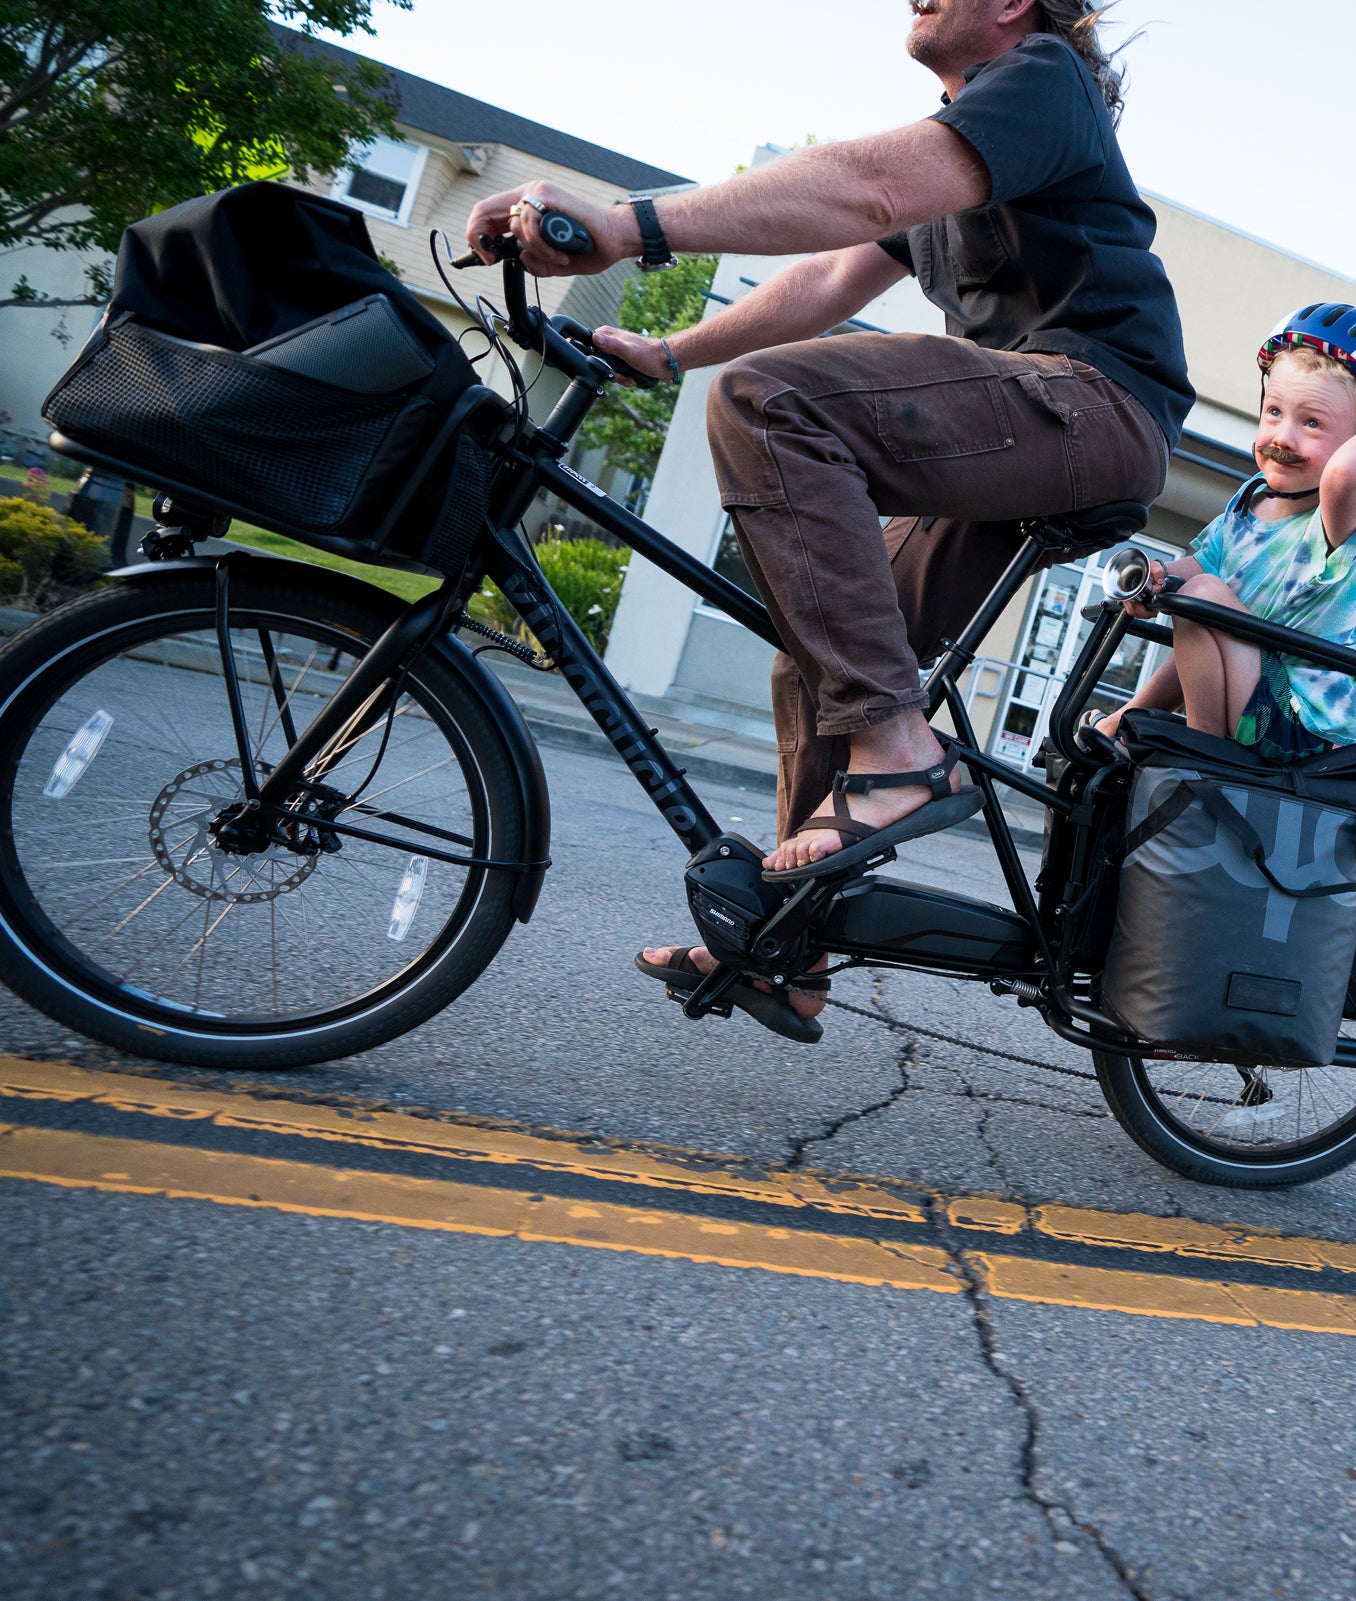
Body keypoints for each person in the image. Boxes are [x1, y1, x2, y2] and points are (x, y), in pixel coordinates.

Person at [462, 0, 1192, 1041]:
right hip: (1041, 423)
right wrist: (672, 353)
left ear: (1015, 5)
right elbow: (828, 276)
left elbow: (864, 181)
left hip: (1096, 403)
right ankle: (790, 950)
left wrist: (633, 226)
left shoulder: (1040, 80)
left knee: (772, 403)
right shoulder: (964, 136)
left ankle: (903, 752)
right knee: (817, 650)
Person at [1096, 305, 1356, 762]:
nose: (1282, 436)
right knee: (1199, 596)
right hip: (1252, 688)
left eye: (1312, 422)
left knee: (1205, 596)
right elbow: (1202, 566)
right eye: (1274, 411)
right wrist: (1155, 576)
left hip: (1299, 726)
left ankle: (1200, 759)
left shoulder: (1340, 523)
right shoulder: (1251, 499)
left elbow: (1347, 476)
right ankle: (1127, 722)